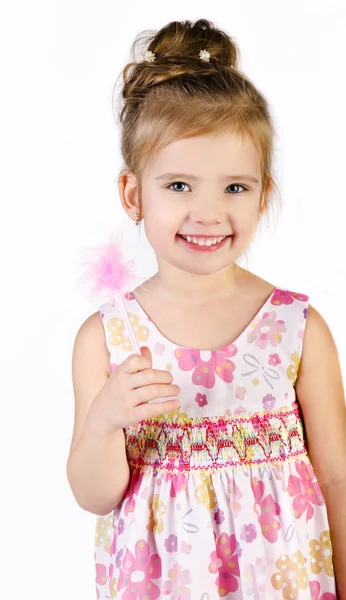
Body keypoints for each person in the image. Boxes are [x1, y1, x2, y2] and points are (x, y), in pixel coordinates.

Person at [67, 19, 346, 600]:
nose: (209, 212)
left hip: (283, 580)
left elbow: (337, 478)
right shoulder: (108, 338)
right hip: (162, 582)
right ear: (133, 194)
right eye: (179, 186)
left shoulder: (297, 329)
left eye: (234, 188)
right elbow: (96, 495)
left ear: (264, 193)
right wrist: (105, 419)